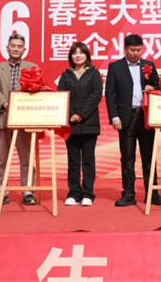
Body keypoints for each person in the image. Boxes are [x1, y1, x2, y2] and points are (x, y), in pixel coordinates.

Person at [105, 34, 161, 207]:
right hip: (126, 117)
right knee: (127, 157)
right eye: (132, 50)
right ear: (125, 49)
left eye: (139, 50)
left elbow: (159, 86)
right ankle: (128, 194)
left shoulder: (149, 65)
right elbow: (110, 94)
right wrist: (114, 117)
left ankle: (152, 193)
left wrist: (152, 87)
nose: (135, 53)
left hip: (145, 117)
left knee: (149, 157)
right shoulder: (115, 67)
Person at [0, 33, 37, 206]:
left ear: (24, 49)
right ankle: (0, 191)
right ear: (7, 48)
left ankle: (28, 191)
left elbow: (36, 89)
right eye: (13, 46)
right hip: (3, 117)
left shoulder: (32, 67)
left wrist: (21, 107)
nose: (16, 49)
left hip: (24, 119)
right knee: (2, 158)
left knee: (26, 157)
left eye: (19, 46)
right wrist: (6, 104)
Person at [57, 42, 103, 207]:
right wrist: (71, 115)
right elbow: (61, 96)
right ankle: (74, 193)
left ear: (87, 55)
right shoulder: (65, 75)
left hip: (89, 123)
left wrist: (81, 114)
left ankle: (88, 194)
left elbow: (96, 96)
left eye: (81, 53)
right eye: (74, 53)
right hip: (71, 125)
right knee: (73, 161)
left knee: (88, 160)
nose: (78, 55)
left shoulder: (94, 74)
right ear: (70, 56)